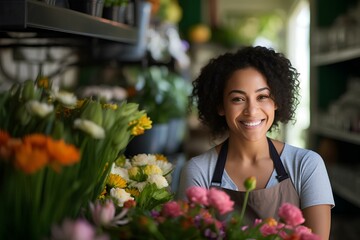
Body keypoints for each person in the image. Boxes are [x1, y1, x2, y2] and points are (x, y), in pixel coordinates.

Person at [177, 46, 335, 240]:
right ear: (220, 106)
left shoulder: (306, 165)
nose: (251, 111)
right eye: (238, 99)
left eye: (262, 97)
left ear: (276, 102)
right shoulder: (198, 171)